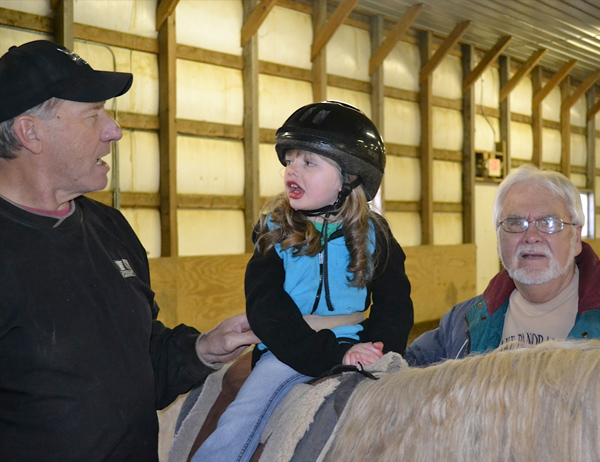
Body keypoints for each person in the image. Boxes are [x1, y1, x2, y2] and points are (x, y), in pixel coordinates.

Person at [0, 40, 259, 462]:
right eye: (92, 116)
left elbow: (138, 362)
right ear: (31, 132)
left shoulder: (111, 229)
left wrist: (203, 349)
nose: (114, 130)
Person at [192, 101, 414, 462]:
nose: (293, 170)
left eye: (309, 162)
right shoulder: (274, 233)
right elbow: (267, 308)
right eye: (290, 160)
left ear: (351, 177)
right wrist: (331, 354)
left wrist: (380, 349)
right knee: (241, 419)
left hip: (357, 342)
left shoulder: (376, 234)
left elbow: (395, 303)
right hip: (289, 347)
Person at [405, 163, 600, 366]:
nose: (531, 237)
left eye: (549, 223)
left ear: (576, 238)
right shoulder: (462, 325)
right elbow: (400, 371)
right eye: (515, 223)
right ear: (498, 239)